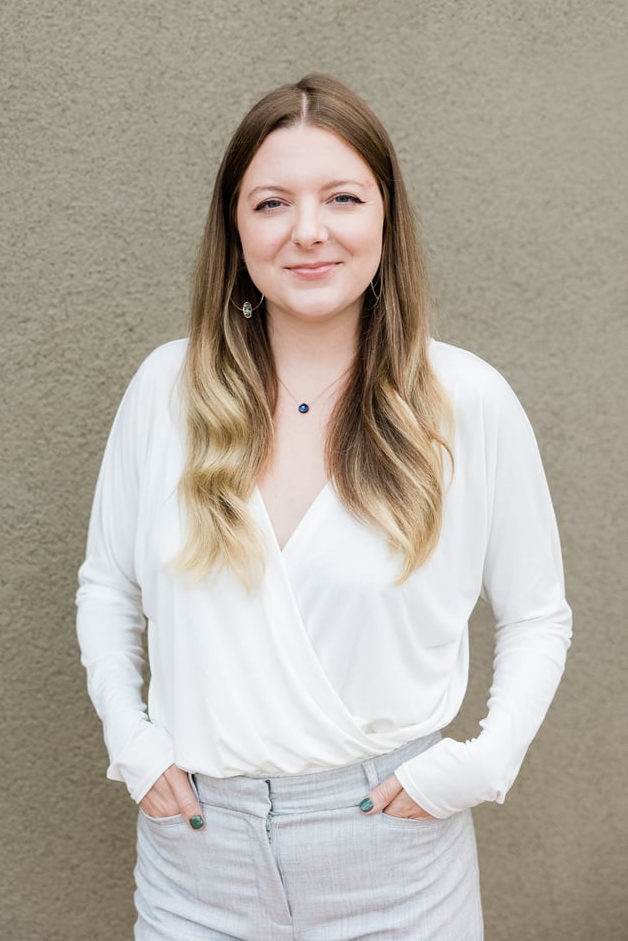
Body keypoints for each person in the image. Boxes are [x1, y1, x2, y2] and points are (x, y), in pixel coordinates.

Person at [76, 73, 572, 940]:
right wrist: (134, 741)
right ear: (236, 226)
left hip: (396, 860)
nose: (308, 230)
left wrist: (484, 763)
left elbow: (538, 614)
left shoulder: (467, 403)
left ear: (386, 216)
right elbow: (106, 586)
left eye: (342, 196)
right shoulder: (166, 390)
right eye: (272, 202)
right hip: (194, 859)